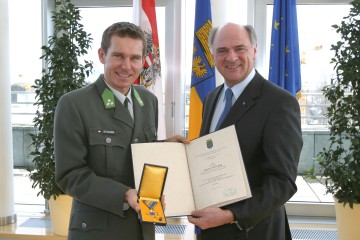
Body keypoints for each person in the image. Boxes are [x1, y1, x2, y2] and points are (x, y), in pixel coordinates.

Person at [54, 22, 188, 240]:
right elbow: (70, 175)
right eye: (118, 56)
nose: (127, 66)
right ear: (101, 55)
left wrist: (165, 149)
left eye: (135, 58)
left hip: (142, 228)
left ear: (144, 60)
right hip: (98, 231)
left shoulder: (148, 100)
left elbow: (135, 152)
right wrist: (123, 194)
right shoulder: (74, 104)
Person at [187, 23, 303, 240]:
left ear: (254, 51)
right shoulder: (212, 98)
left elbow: (282, 181)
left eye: (240, 48)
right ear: (213, 55)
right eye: (222, 50)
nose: (231, 57)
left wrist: (231, 215)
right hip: (212, 228)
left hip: (255, 230)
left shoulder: (279, 102)